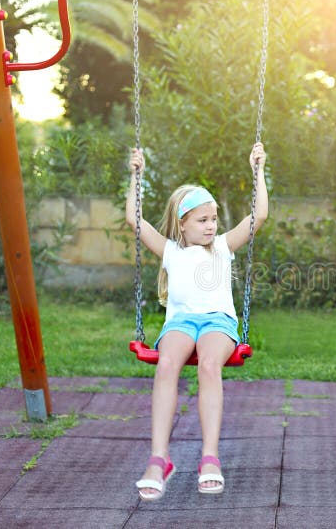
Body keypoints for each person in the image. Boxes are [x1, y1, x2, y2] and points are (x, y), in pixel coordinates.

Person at [126, 142, 268, 500]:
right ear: (182, 223)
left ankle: (210, 457)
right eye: (203, 220)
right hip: (181, 322)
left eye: (214, 219)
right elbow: (134, 219)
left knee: (208, 365)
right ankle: (159, 459)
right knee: (167, 364)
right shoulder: (170, 250)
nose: (211, 226)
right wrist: (135, 176)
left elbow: (259, 216)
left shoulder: (222, 246)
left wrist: (258, 171)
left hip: (218, 323)